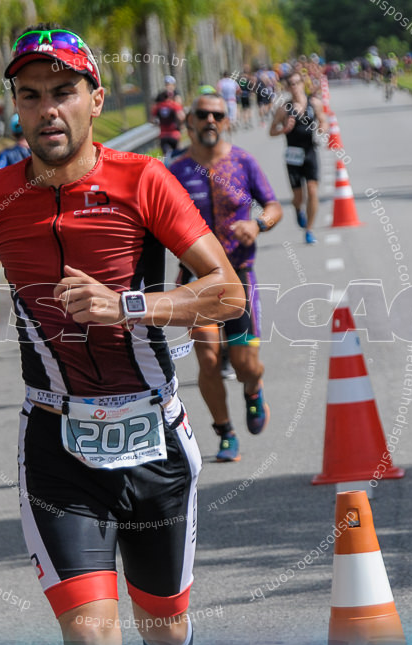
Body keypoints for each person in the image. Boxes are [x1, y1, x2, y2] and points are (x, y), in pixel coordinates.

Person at [0, 24, 244, 645]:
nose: (48, 108)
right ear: (14, 107)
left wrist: (126, 305)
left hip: (154, 436)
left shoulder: (144, 180)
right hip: (57, 440)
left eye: (65, 91)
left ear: (95, 99)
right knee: (92, 642)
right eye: (31, 95)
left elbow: (227, 292)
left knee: (164, 631)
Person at [168, 91, 282, 463]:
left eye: (217, 115)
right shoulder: (174, 171)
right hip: (195, 282)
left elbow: (273, 205)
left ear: (226, 120)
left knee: (246, 362)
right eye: (202, 115)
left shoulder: (242, 162)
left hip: (239, 279)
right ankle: (225, 431)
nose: (210, 121)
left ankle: (253, 387)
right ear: (190, 122)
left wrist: (258, 224)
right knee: (207, 360)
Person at [269, 71, 326, 245]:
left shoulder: (314, 103)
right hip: (293, 156)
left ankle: (309, 230)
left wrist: (322, 129)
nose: (294, 87)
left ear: (303, 84)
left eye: (297, 83)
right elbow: (271, 131)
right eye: (290, 84)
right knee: (298, 197)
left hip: (309, 152)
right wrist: (283, 129)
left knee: (313, 189)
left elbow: (323, 121)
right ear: (286, 88)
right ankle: (297, 209)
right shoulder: (283, 109)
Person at [151, 91, 185, 159]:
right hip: (174, 134)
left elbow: (152, 120)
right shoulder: (174, 105)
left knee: (165, 157)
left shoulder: (157, 107)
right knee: (178, 155)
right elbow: (181, 116)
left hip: (163, 135)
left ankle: (167, 166)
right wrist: (181, 125)